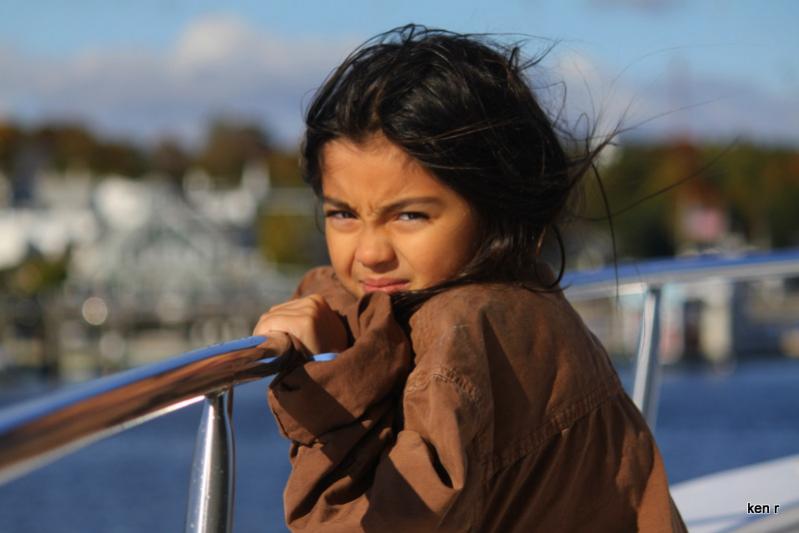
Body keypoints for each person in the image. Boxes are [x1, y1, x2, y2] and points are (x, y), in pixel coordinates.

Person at [254, 24, 687, 532]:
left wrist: (331, 380)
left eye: (409, 215)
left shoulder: (461, 332)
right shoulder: (520, 296)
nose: (370, 252)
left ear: (494, 206)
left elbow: (375, 524)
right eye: (343, 214)